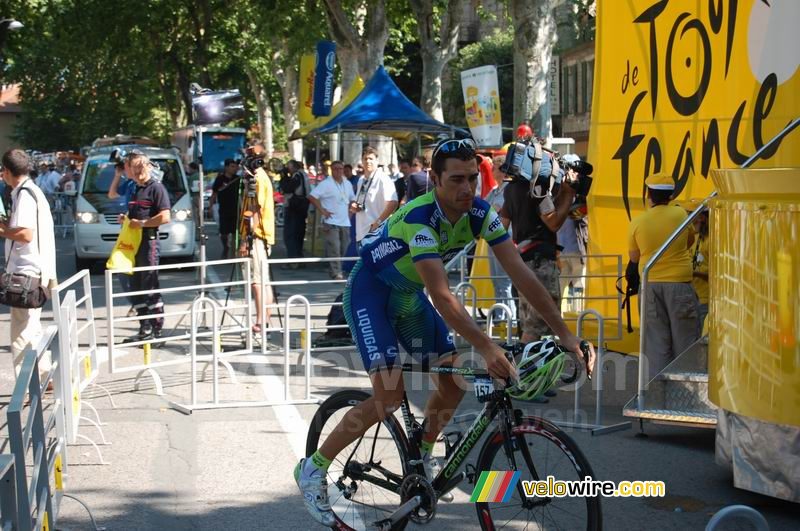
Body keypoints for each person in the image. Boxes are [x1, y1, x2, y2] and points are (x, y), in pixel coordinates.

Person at [294, 137, 596, 526]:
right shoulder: (420, 219)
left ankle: (420, 455)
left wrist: (565, 335)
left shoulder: (480, 213)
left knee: (453, 379)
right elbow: (441, 295)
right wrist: (487, 347)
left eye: (472, 178)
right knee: (388, 395)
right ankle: (314, 469)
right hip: (371, 293)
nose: (467, 188)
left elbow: (521, 275)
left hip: (406, 297)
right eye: (456, 179)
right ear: (434, 178)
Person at [499, 147, 577, 344]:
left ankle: (525, 366)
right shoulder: (538, 188)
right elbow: (553, 222)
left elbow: (502, 225)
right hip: (539, 259)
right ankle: (523, 365)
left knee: (528, 318)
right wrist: (568, 195)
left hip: (521, 259)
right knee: (541, 317)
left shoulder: (511, 188)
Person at [627, 174, 701, 380]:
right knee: (685, 341)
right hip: (680, 284)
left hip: (650, 285)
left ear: (648, 194)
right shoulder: (680, 215)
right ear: (671, 195)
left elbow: (634, 256)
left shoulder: (638, 222)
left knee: (656, 344)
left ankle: (657, 396)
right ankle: (686, 394)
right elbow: (688, 242)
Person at [0, 149, 57, 375]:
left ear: (6, 171)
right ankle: (44, 374)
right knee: (31, 330)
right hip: (37, 270)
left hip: (27, 272)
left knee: (21, 335)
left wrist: (3, 230)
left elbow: (25, 234)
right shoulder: (32, 191)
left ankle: (24, 388)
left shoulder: (24, 194)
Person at [109, 151, 171, 343]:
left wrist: (142, 223)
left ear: (141, 168)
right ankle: (144, 326)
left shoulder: (156, 188)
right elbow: (133, 211)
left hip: (149, 241)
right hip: (132, 242)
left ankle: (157, 329)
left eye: (132, 167)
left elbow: (165, 217)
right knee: (133, 284)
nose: (131, 171)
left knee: (149, 284)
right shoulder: (135, 187)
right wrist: (126, 219)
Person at [237, 154, 275, 335]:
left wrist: (245, 239)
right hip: (262, 236)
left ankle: (261, 323)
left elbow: (255, 210)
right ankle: (265, 321)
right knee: (264, 282)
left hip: (257, 236)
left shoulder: (258, 179)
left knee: (257, 282)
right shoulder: (261, 178)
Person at [308, 160, 355, 280]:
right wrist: (322, 211)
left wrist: (350, 213)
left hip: (345, 221)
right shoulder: (326, 183)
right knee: (334, 247)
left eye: (340, 168)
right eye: (336, 169)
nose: (338, 171)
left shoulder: (347, 183)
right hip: (331, 222)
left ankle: (338, 269)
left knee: (344, 248)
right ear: (331, 170)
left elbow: (352, 200)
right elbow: (312, 196)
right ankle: (336, 272)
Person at [556, 155, 589, 314]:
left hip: (578, 250)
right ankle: (560, 323)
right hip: (561, 251)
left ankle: (579, 322)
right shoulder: (557, 191)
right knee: (560, 289)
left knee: (579, 288)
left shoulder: (584, 194)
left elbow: (583, 217)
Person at [350, 146, 398, 247]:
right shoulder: (361, 180)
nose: (368, 161)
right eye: (365, 159)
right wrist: (355, 206)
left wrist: (378, 223)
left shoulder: (383, 179)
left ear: (377, 161)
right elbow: (360, 202)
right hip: (361, 233)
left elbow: (393, 203)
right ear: (362, 161)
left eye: (371, 159)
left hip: (376, 235)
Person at [280, 160, 311, 265]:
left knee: (291, 235)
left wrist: (284, 176)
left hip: (294, 208)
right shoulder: (304, 175)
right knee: (298, 234)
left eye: (288, 167)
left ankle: (293, 261)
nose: (287, 169)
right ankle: (298, 259)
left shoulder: (297, 176)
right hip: (301, 207)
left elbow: (287, 188)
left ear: (293, 167)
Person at [209, 159, 241, 259]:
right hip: (223, 209)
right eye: (232, 166)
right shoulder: (220, 179)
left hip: (236, 209)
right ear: (226, 167)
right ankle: (225, 247)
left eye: (235, 166)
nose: (234, 169)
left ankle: (233, 252)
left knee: (235, 232)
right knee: (224, 233)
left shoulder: (238, 179)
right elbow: (214, 194)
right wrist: (210, 207)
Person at [691, 206, 710, 328]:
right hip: (694, 297)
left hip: (706, 300)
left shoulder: (712, 240)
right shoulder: (696, 237)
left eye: (693, 216)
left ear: (702, 218)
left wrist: (693, 273)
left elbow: (716, 275)